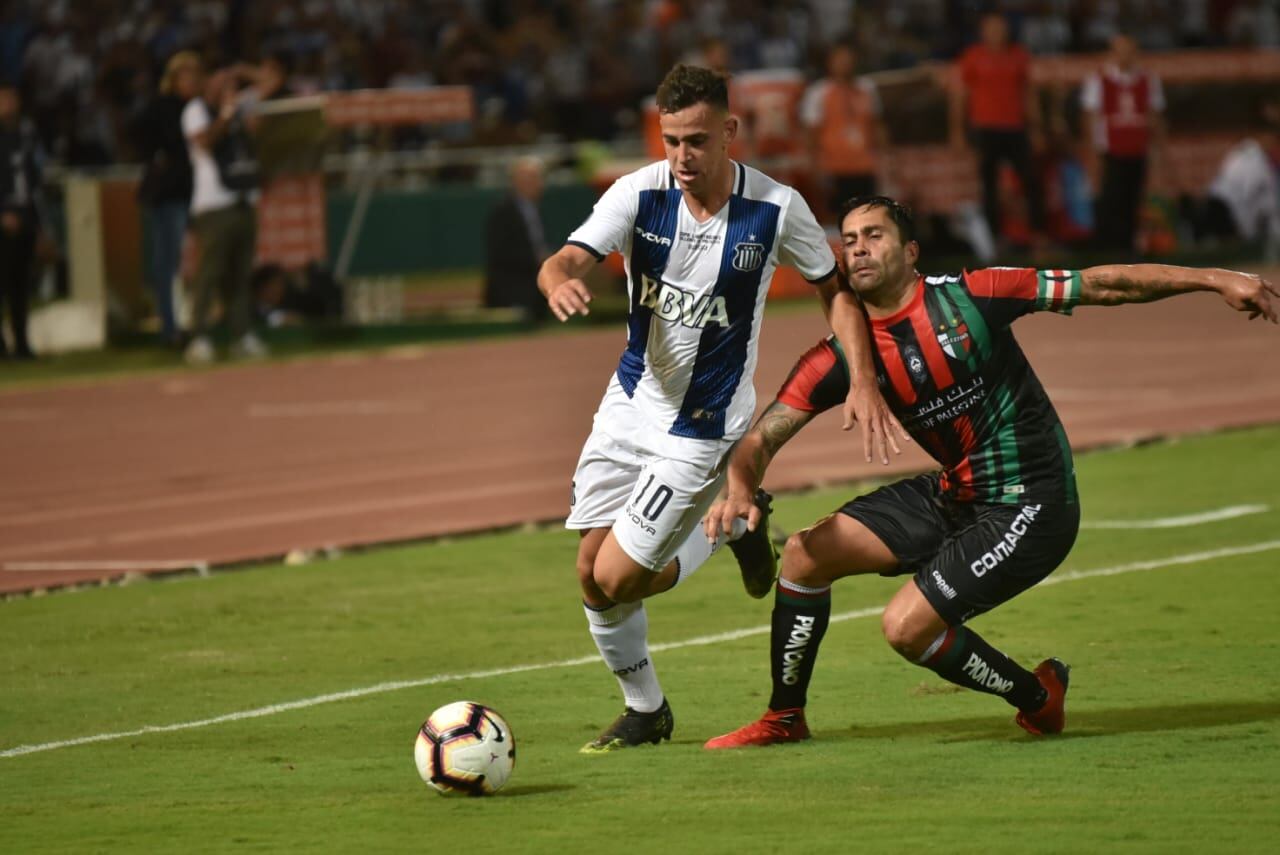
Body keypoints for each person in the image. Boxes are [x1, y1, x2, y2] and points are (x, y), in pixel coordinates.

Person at [703, 195, 1278, 748]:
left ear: (912, 252)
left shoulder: (975, 296)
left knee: (905, 628)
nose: (857, 249)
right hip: (958, 495)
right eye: (848, 240)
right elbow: (760, 438)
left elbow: (1103, 284)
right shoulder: (843, 358)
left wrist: (1214, 278)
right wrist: (739, 490)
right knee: (805, 554)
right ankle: (784, 717)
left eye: (874, 236)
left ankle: (1036, 696)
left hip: (1033, 501)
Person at [537, 65, 903, 753]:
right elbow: (564, 259)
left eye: (698, 140)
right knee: (590, 569)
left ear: (730, 131)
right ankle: (647, 709)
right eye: (672, 139)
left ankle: (727, 526)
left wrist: (862, 376)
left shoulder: (775, 207)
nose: (683, 156)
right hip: (628, 406)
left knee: (620, 576)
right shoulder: (637, 193)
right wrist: (558, 281)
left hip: (703, 425)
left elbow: (835, 291)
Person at [181, 61, 267, 365]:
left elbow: (269, 83)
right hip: (214, 205)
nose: (226, 89)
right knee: (209, 274)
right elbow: (203, 142)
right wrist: (226, 116)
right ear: (208, 86)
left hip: (243, 201)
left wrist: (243, 71)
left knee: (240, 276)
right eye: (219, 83)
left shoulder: (241, 110)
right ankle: (198, 337)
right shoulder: (197, 110)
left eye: (229, 85)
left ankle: (242, 335)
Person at [950, 13, 1046, 249]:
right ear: (983, 31)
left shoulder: (1018, 55)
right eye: (991, 28)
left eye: (1000, 28)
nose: (996, 32)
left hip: (1016, 128)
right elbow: (960, 96)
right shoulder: (973, 56)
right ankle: (994, 238)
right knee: (988, 185)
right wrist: (957, 131)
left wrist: (1036, 129)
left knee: (1031, 180)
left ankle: (1038, 235)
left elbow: (1028, 94)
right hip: (985, 129)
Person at [135, 51, 199, 348]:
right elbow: (143, 141)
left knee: (196, 263)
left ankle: (193, 323)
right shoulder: (162, 108)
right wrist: (160, 161)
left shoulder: (199, 107)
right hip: (170, 195)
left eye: (195, 75)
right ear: (172, 80)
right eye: (185, 75)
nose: (192, 81)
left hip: (197, 193)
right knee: (167, 262)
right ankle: (170, 328)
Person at [1080, 34, 1166, 253]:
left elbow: (1155, 115)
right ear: (1112, 53)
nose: (1124, 56)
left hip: (1138, 148)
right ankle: (1108, 248)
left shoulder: (1148, 80)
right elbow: (1091, 117)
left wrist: (1158, 149)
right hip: (1111, 150)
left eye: (1128, 50)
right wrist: (1093, 150)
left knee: (1133, 198)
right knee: (1111, 199)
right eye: (1119, 51)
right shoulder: (1099, 79)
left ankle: (1129, 248)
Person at [800, 43, 890, 220]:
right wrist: (815, 168)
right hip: (834, 167)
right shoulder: (818, 93)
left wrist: (885, 159)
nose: (844, 64)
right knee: (838, 218)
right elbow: (810, 134)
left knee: (867, 216)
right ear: (829, 63)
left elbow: (877, 126)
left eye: (848, 59)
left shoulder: (867, 89)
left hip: (864, 166)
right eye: (839, 60)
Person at [0, 78, 42, 361]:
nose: (10, 104)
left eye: (12, 98)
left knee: (20, 285)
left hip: (26, 215)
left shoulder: (26, 133)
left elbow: (34, 177)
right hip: (4, 216)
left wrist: (39, 223)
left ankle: (23, 344)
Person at [483, 156, 550, 322]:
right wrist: (537, 258)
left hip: (536, 290)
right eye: (528, 179)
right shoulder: (502, 212)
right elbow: (499, 253)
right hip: (511, 292)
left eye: (536, 179)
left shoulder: (536, 211)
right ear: (515, 183)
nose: (535, 184)